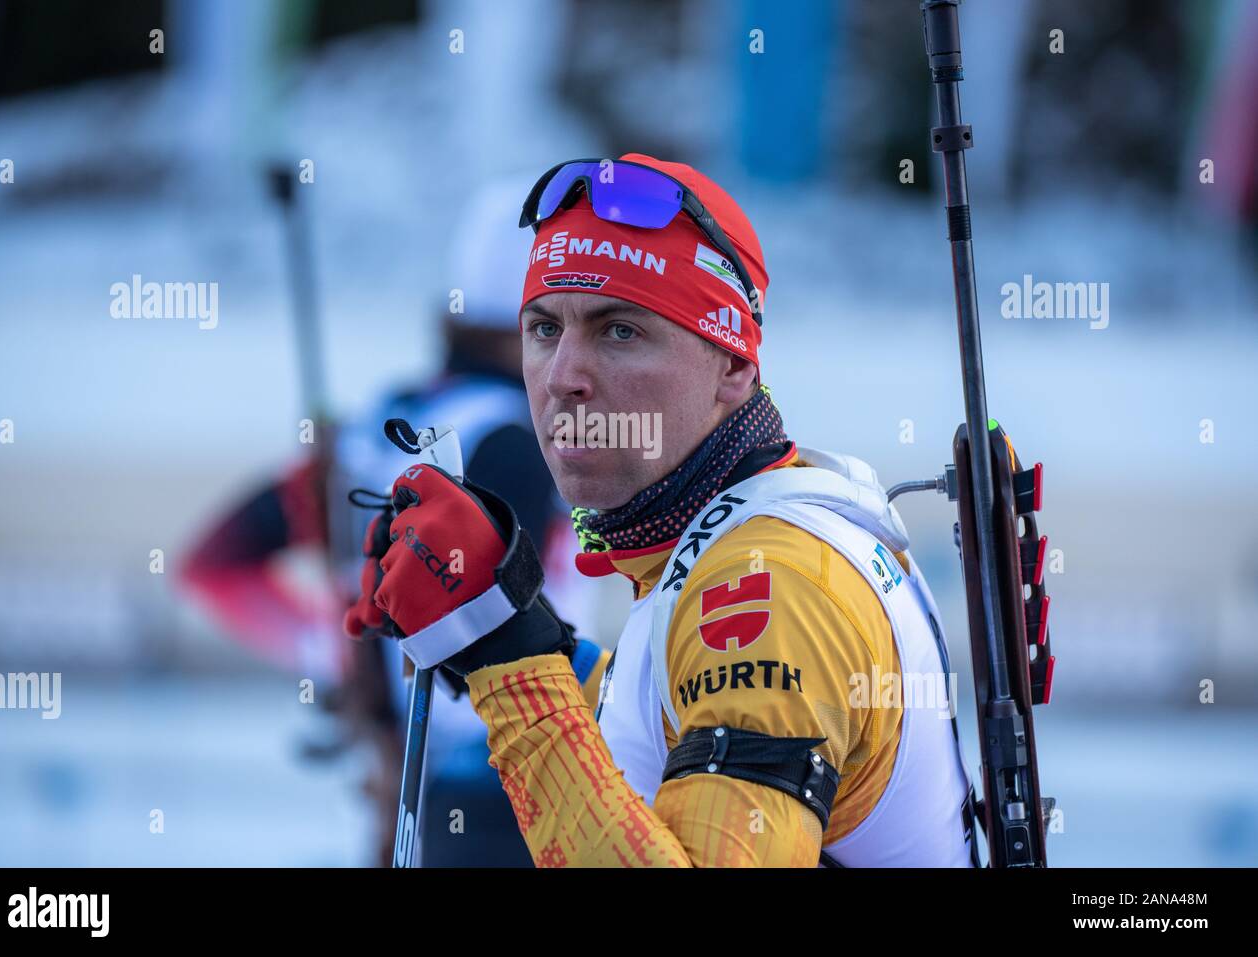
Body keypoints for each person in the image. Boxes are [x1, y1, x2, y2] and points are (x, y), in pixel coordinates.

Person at [344, 154, 977, 867]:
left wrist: (507, 661)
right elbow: (659, 718)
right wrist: (499, 620)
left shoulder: (773, 581)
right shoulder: (731, 530)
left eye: (621, 331)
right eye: (544, 329)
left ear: (733, 364)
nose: (563, 379)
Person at [180, 178, 592, 867]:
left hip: (410, 789)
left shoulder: (376, 427)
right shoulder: (519, 438)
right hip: (515, 794)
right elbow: (499, 628)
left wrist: (336, 653)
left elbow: (214, 569)